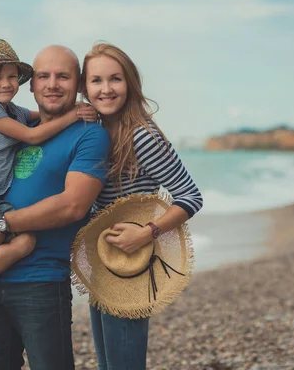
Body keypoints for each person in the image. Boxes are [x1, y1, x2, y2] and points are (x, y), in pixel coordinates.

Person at [0, 45, 111, 370]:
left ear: (80, 85)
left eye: (63, 76)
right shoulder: (14, 131)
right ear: (32, 85)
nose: (52, 84)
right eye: (44, 76)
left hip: (41, 284)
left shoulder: (89, 135)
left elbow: (73, 206)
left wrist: (2, 223)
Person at [79, 42, 204, 369]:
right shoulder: (94, 131)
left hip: (133, 263)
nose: (106, 89)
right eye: (96, 81)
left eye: (115, 79)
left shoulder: (141, 136)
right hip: (103, 260)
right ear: (85, 87)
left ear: (130, 83)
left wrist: (146, 233)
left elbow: (190, 196)